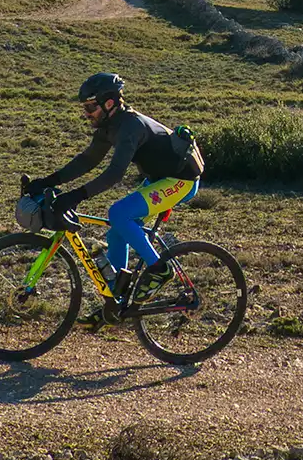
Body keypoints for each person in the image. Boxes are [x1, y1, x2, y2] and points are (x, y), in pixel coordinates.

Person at [24, 71, 201, 307]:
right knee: (117, 230)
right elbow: (87, 161)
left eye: (90, 107)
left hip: (182, 180)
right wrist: (48, 181)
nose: (86, 114)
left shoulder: (131, 126)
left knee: (118, 213)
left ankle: (159, 269)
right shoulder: (109, 127)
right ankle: (116, 300)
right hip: (160, 179)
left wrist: (76, 196)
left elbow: (115, 173)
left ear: (108, 103)